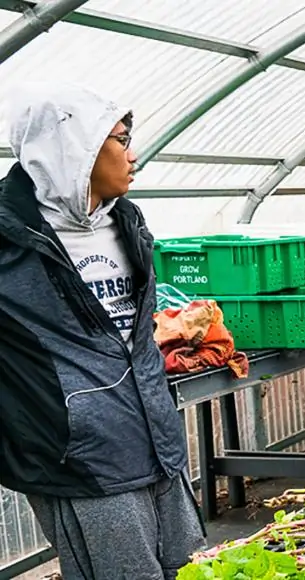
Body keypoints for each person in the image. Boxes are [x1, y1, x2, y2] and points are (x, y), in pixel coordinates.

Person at [0, 85, 204, 578]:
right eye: (121, 140)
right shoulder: (11, 238)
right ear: (77, 148)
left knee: (196, 566)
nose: (133, 156)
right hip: (81, 460)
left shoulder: (126, 221)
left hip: (158, 441)